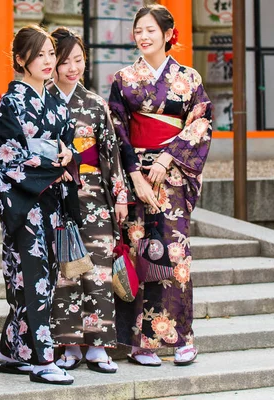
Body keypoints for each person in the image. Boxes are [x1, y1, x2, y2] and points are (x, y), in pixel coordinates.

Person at [109, 4, 213, 367]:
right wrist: (134, 174)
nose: (143, 36)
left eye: (151, 30)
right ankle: (140, 342)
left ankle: (181, 338)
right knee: (138, 253)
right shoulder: (123, 79)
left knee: (175, 257)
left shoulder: (190, 79)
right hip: (138, 178)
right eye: (139, 30)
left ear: (169, 34)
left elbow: (200, 124)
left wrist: (168, 159)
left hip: (171, 179)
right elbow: (117, 131)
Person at [0, 25, 79, 385]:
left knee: (42, 278)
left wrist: (67, 157)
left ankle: (10, 349)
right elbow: (6, 158)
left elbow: (67, 146)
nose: (48, 61)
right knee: (32, 278)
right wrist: (53, 164)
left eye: (51, 54)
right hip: (25, 203)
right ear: (21, 59)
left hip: (52, 202)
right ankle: (42, 359)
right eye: (39, 55)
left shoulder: (55, 100)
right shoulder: (11, 103)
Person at [47, 27, 129, 374]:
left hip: (94, 195)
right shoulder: (42, 99)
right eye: (64, 62)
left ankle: (98, 346)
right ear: (50, 63)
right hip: (55, 196)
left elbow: (111, 155)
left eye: (78, 60)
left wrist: (120, 197)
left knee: (97, 271)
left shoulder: (94, 104)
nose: (72, 68)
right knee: (64, 274)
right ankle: (68, 344)